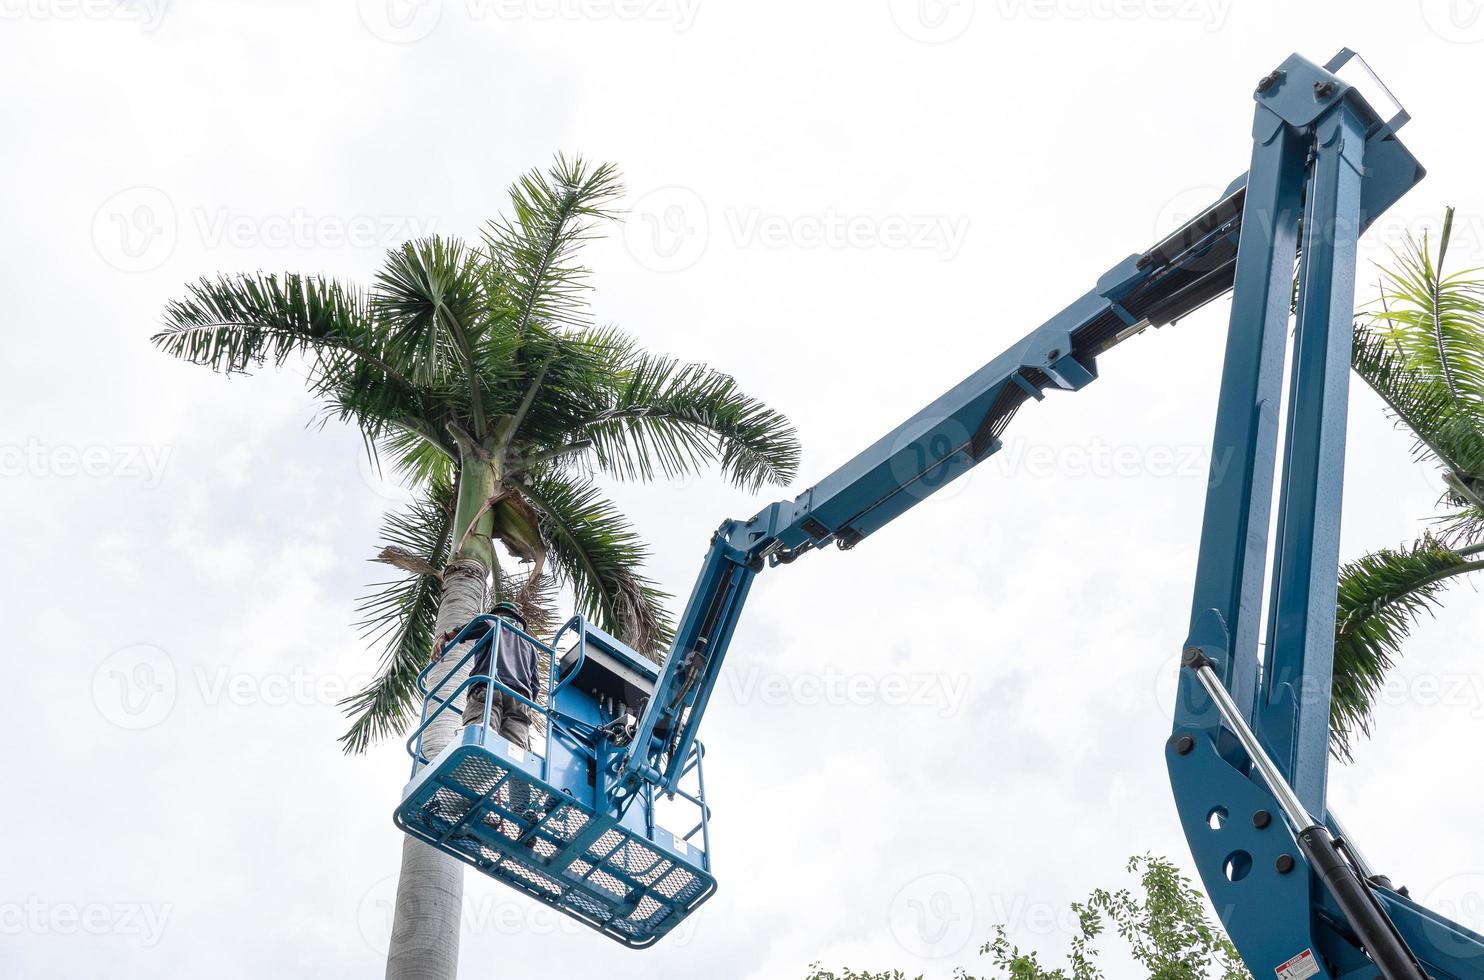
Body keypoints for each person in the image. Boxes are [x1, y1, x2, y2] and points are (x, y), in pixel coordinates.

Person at [434, 600, 542, 749]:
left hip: (490, 686)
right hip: (520, 699)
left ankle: (478, 751)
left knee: (481, 736)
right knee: (514, 750)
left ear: (498, 614)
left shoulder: (493, 622)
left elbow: (471, 628)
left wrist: (445, 637)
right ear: (518, 620)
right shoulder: (531, 648)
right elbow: (535, 686)